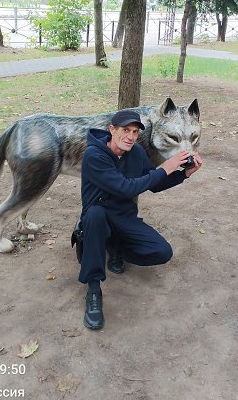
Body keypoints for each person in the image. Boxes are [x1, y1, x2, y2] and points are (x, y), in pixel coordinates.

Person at [77, 109, 202, 329]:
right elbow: (125, 188)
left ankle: (113, 247)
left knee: (162, 252)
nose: (131, 137)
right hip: (98, 216)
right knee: (95, 215)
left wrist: (183, 174)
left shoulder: (136, 153)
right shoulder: (94, 155)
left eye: (135, 132)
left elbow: (154, 184)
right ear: (112, 130)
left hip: (124, 217)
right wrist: (166, 167)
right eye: (125, 130)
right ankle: (93, 288)